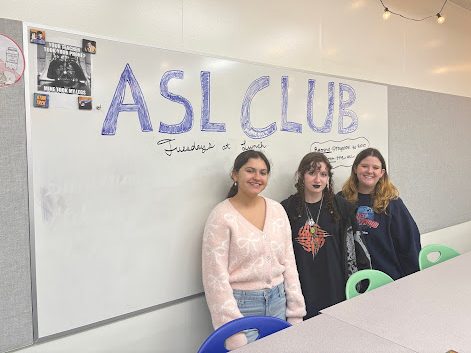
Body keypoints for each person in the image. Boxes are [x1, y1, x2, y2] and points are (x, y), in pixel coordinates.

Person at [202, 150, 306, 349]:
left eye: (263, 172)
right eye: (250, 171)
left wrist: (296, 311)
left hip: (278, 301)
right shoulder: (221, 216)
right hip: (242, 308)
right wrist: (232, 330)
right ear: (235, 175)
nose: (257, 177)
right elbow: (215, 278)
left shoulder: (277, 210)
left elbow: (288, 262)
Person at [281, 152, 371, 319]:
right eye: (311, 173)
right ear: (301, 176)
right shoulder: (287, 209)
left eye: (323, 174)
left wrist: (361, 284)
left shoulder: (342, 207)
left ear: (328, 178)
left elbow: (359, 248)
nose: (317, 180)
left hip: (335, 284)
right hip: (303, 285)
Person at [340, 147, 421, 280]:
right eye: (364, 166)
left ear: (382, 172)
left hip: (388, 279)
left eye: (375, 168)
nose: (370, 171)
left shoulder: (393, 203)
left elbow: (409, 242)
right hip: (355, 282)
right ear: (355, 169)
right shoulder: (342, 201)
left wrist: (412, 278)